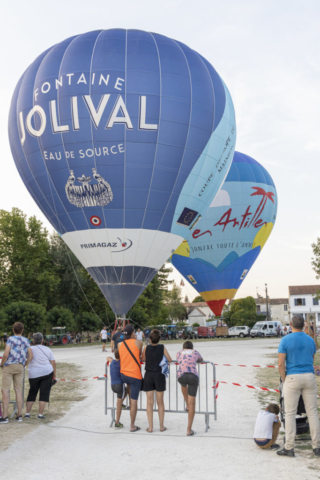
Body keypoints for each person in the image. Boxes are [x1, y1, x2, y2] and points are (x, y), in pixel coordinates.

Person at [277, 314, 320, 457]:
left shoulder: (285, 340)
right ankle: (317, 446)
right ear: (304, 326)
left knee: (290, 413)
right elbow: (312, 359)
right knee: (312, 412)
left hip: (292, 376)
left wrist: (284, 379)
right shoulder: (311, 340)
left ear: (290, 324)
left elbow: (281, 363)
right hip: (309, 376)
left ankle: (289, 447)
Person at [0, 322, 33, 423]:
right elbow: (31, 356)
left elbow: (6, 354)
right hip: (20, 366)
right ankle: (19, 415)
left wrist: (1, 364)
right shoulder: (26, 340)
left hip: (9, 366)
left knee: (5, 390)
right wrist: (24, 364)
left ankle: (5, 417)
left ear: (13, 330)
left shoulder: (10, 339)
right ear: (22, 330)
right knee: (18, 390)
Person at [142, 329, 172, 432]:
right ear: (159, 339)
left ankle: (150, 427)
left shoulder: (146, 347)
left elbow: (143, 359)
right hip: (159, 375)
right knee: (160, 402)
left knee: (149, 402)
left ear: (149, 339)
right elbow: (170, 359)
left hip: (149, 374)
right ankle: (161, 426)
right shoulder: (162, 347)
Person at [24, 332, 56, 419]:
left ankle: (27, 413)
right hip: (47, 372)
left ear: (33, 341)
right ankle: (40, 414)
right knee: (44, 393)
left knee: (32, 392)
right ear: (42, 340)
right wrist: (54, 376)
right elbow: (53, 363)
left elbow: (26, 358)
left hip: (33, 374)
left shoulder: (30, 349)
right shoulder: (47, 349)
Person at [118, 325, 143, 432]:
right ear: (133, 333)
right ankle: (132, 425)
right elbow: (140, 355)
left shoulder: (119, 344)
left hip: (124, 374)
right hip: (134, 375)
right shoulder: (138, 343)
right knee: (134, 401)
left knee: (128, 392)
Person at [176, 341, 203, 436]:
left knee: (183, 385)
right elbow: (200, 359)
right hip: (193, 376)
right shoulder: (195, 352)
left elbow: (178, 359)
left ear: (183, 348)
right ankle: (189, 429)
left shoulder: (179, 352)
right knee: (193, 404)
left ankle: (187, 404)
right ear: (192, 348)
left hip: (181, 376)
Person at [107, 349, 128, 428]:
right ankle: (117, 422)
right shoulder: (122, 363)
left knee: (126, 391)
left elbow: (107, 357)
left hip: (113, 385)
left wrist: (111, 358)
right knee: (118, 405)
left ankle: (121, 403)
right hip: (120, 385)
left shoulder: (112, 362)